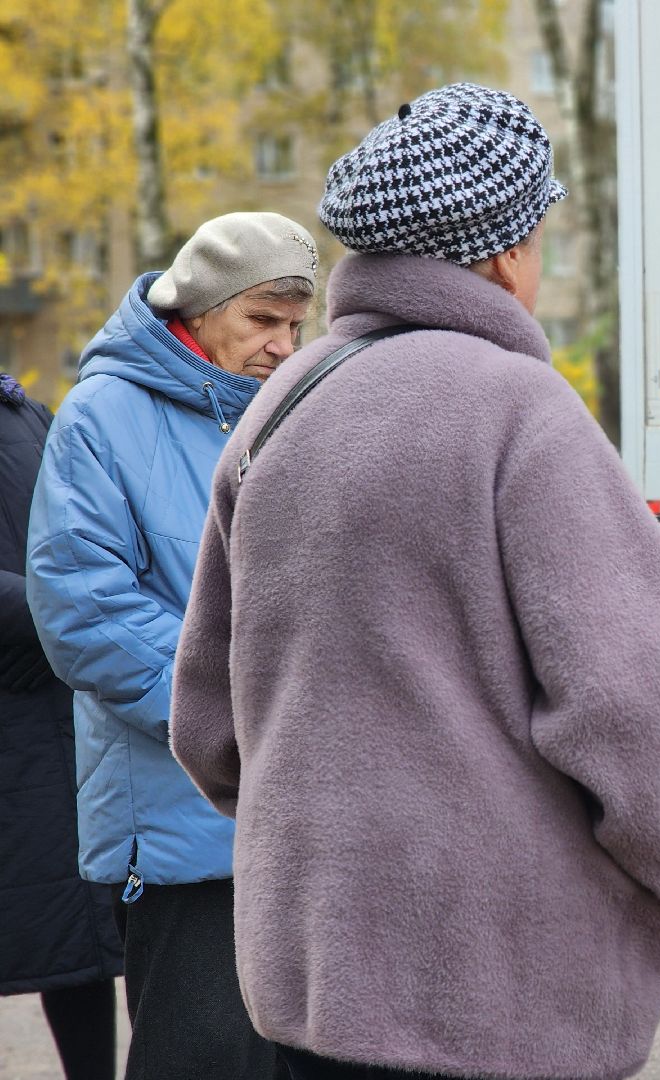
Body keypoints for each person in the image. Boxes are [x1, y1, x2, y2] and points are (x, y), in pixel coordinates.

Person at [168, 83, 660, 1080]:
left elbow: (208, 729)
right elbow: (623, 708)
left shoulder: (278, 412)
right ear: (507, 251)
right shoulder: (524, 412)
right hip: (499, 996)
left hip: (312, 983)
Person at [26, 212, 318, 1080]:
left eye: (296, 325)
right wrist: (243, 714)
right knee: (203, 1059)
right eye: (262, 320)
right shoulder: (101, 416)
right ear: (199, 308)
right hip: (184, 815)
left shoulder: (294, 406)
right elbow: (84, 610)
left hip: (298, 809)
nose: (282, 345)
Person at [0, 371, 124, 1080]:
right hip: (31, 702)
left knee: (75, 941)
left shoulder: (24, 407)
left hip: (50, 711)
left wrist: (59, 634)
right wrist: (60, 618)